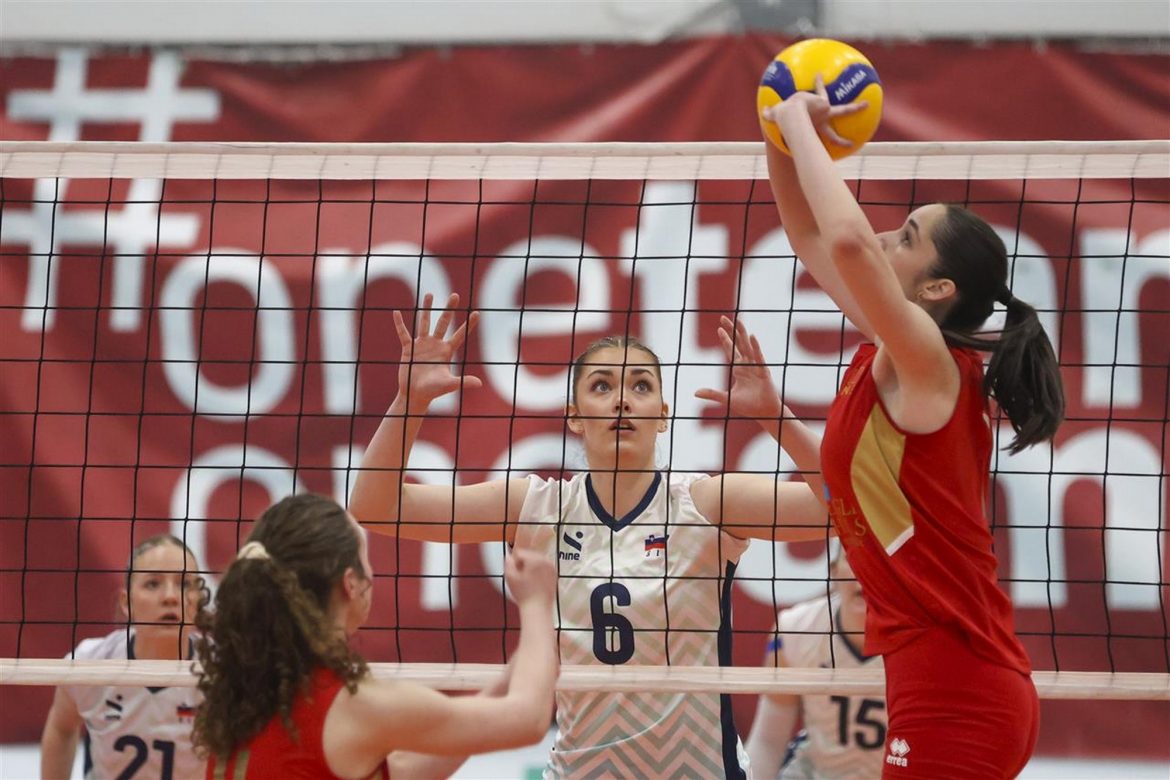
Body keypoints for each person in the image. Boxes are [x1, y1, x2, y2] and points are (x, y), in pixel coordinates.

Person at [347, 293, 831, 779]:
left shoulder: (706, 504)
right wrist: (409, 403)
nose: (622, 399)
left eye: (641, 386)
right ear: (574, 416)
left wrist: (775, 417)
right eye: (602, 386)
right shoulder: (536, 507)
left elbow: (840, 509)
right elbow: (376, 506)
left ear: (663, 415)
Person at [759, 76, 1064, 778]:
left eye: (906, 237)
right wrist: (778, 132)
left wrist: (803, 122)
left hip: (960, 693)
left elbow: (849, 244)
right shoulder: (894, 352)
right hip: (939, 682)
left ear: (936, 289)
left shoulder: (929, 364)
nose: (884, 240)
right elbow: (811, 235)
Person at [192, 492, 557, 780]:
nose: (372, 572)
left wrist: (506, 681)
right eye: (366, 557)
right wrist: (538, 602)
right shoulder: (356, 705)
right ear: (351, 583)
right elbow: (526, 720)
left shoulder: (245, 694)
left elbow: (400, 770)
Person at [40, 534, 206, 780]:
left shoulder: (222, 670)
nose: (171, 597)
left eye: (184, 584)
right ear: (126, 602)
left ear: (199, 599)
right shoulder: (91, 663)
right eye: (153, 584)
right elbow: (61, 728)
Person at [746, 553, 886, 780]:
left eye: (877, 560)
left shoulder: (925, 640)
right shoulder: (796, 630)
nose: (865, 571)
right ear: (834, 570)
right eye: (854, 558)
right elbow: (768, 741)